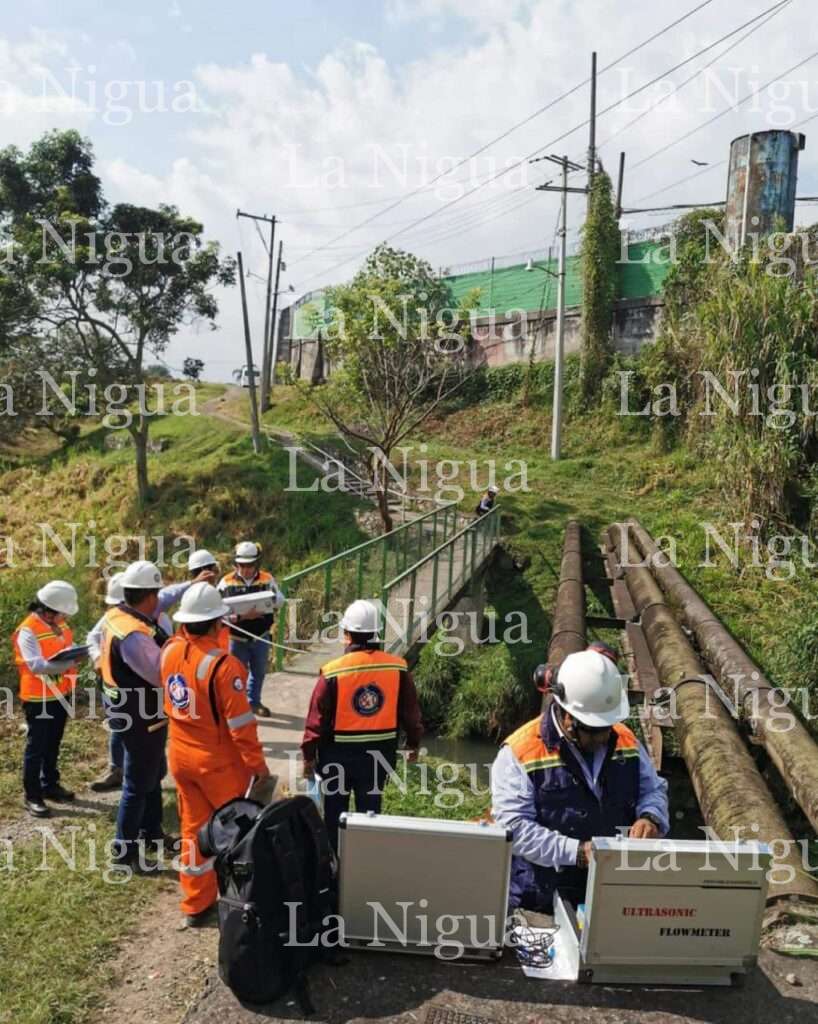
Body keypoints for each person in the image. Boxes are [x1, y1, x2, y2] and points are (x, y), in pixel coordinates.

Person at [491, 645, 669, 913]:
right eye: (593, 730)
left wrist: (651, 817)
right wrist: (575, 852)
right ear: (567, 716)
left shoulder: (624, 739)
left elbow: (653, 789)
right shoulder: (520, 751)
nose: (604, 738)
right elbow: (514, 827)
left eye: (606, 727)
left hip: (612, 894)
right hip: (541, 900)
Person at [161, 582, 273, 927]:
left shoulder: (169, 650)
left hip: (180, 755)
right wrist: (259, 769)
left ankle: (195, 904)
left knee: (194, 830)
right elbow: (241, 728)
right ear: (217, 623)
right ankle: (242, 905)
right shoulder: (224, 666)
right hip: (218, 763)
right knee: (238, 834)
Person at [300, 599, 423, 851]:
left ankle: (335, 865)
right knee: (370, 816)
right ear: (377, 633)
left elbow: (316, 720)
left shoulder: (332, 672)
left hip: (336, 757)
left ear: (346, 634)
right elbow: (410, 712)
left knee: (335, 817)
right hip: (378, 758)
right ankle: (366, 862)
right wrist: (413, 743)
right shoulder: (397, 667)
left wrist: (308, 757)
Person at [88, 562, 215, 792]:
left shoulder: (140, 614)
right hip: (130, 699)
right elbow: (159, 674)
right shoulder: (130, 630)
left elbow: (167, 596)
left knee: (145, 757)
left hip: (131, 697)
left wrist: (192, 584)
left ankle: (148, 780)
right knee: (136, 763)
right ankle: (124, 774)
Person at [100, 560, 176, 867]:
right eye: (157, 594)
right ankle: (124, 853)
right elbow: (160, 673)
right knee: (136, 784)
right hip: (141, 717)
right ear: (149, 596)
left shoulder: (119, 616)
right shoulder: (134, 635)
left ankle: (151, 833)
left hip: (133, 711)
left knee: (152, 774)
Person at [12, 581, 84, 818]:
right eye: (62, 612)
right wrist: (70, 662)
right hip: (38, 698)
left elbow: (66, 645)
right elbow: (36, 665)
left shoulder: (59, 624)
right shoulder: (27, 630)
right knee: (37, 747)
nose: (65, 617)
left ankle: (50, 785)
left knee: (53, 742)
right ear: (48, 610)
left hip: (60, 693)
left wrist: (77, 650)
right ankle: (32, 796)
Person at [218, 541, 284, 717]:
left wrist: (270, 599)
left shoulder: (267, 579)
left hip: (261, 636)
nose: (246, 569)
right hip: (237, 638)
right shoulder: (225, 582)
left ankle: (254, 702)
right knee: (236, 675)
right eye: (242, 565)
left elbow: (280, 600)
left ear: (257, 563)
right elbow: (217, 612)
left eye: (250, 565)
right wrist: (241, 616)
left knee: (259, 672)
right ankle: (237, 706)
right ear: (236, 564)